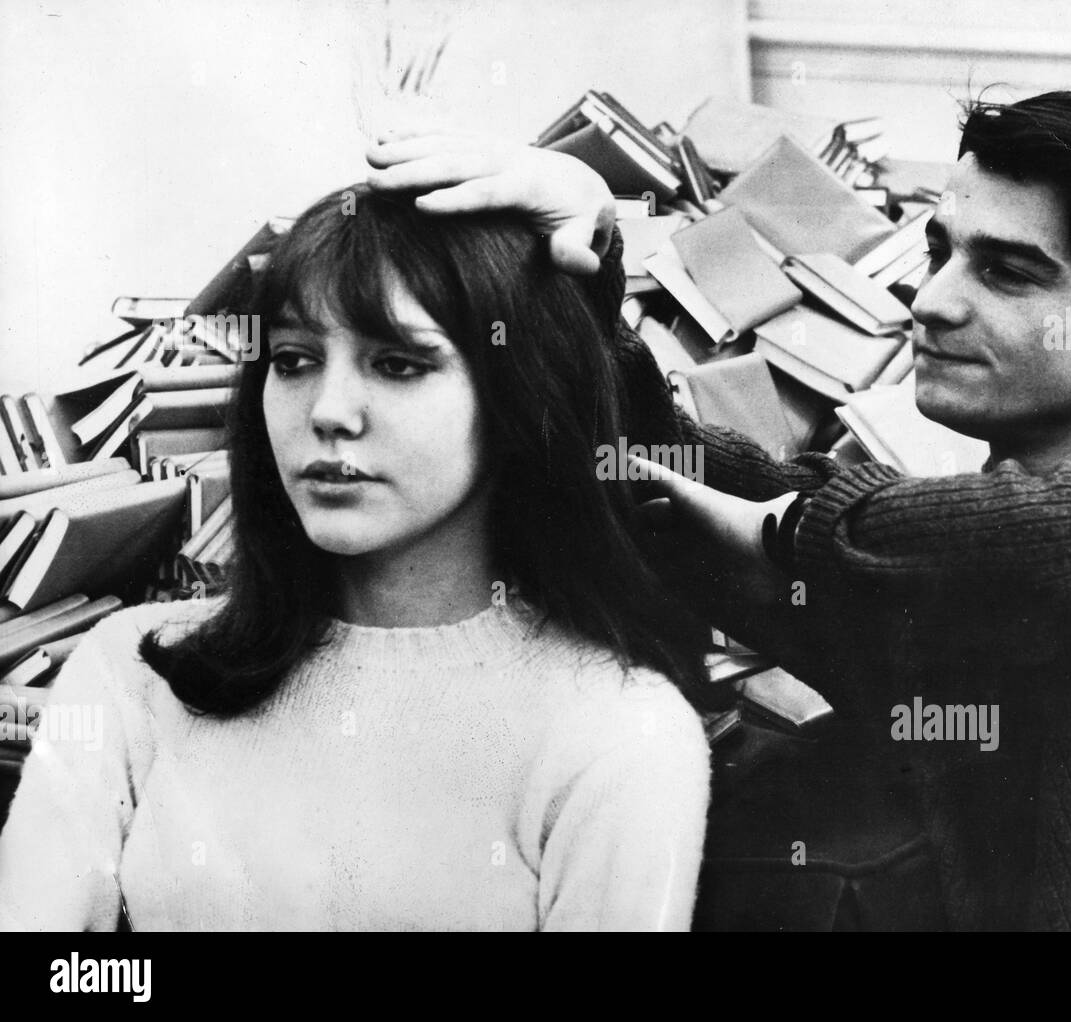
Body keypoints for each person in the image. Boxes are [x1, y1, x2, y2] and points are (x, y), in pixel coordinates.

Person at [366, 88, 1071, 930]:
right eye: (939, 251)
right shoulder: (935, 560)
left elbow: (1026, 544)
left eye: (1009, 273)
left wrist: (782, 532)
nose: (930, 301)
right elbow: (668, 479)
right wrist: (571, 271)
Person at [0, 185, 719, 932]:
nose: (329, 411)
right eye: (294, 358)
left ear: (519, 392)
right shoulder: (133, 672)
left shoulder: (619, 735)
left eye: (399, 365)